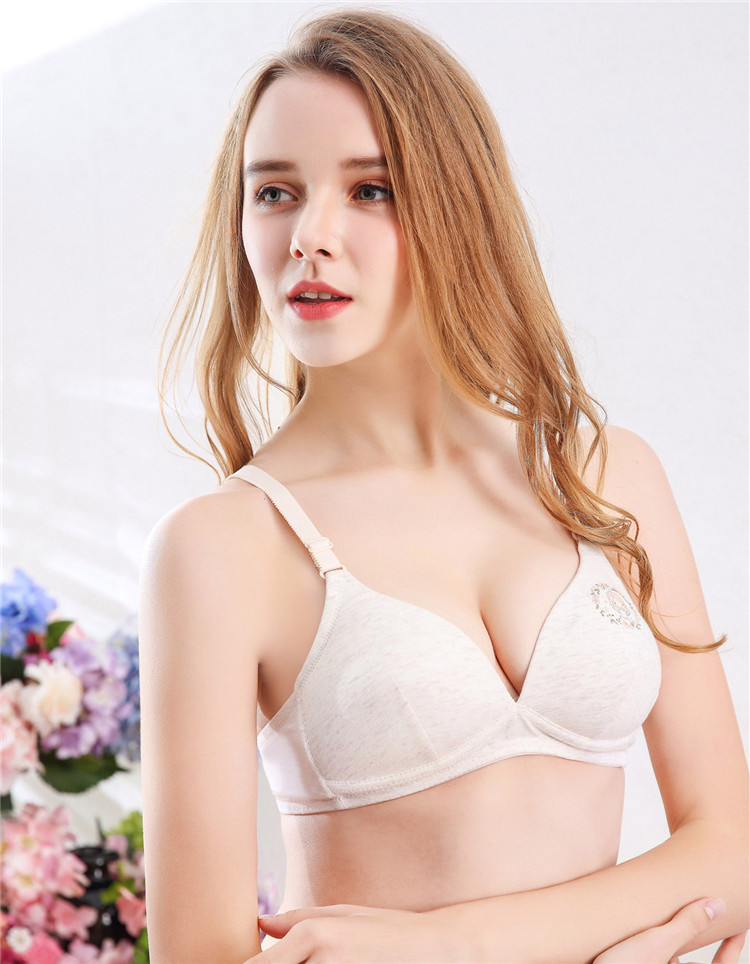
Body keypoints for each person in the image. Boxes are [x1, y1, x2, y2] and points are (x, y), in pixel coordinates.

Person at [138, 8, 748, 963]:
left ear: (460, 205)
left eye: (371, 189)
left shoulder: (605, 474)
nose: (309, 236)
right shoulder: (222, 546)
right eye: (275, 193)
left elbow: (733, 849)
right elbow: (200, 955)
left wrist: (450, 944)